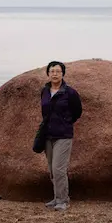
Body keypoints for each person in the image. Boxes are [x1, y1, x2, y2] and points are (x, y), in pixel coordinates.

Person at [41, 61, 82, 211]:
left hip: (63, 135)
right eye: (52, 71)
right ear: (48, 73)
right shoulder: (44, 91)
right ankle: (56, 198)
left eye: (58, 71)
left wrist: (66, 122)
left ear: (63, 74)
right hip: (48, 135)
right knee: (52, 169)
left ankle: (63, 200)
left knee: (59, 169)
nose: (55, 74)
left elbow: (77, 111)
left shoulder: (70, 92)